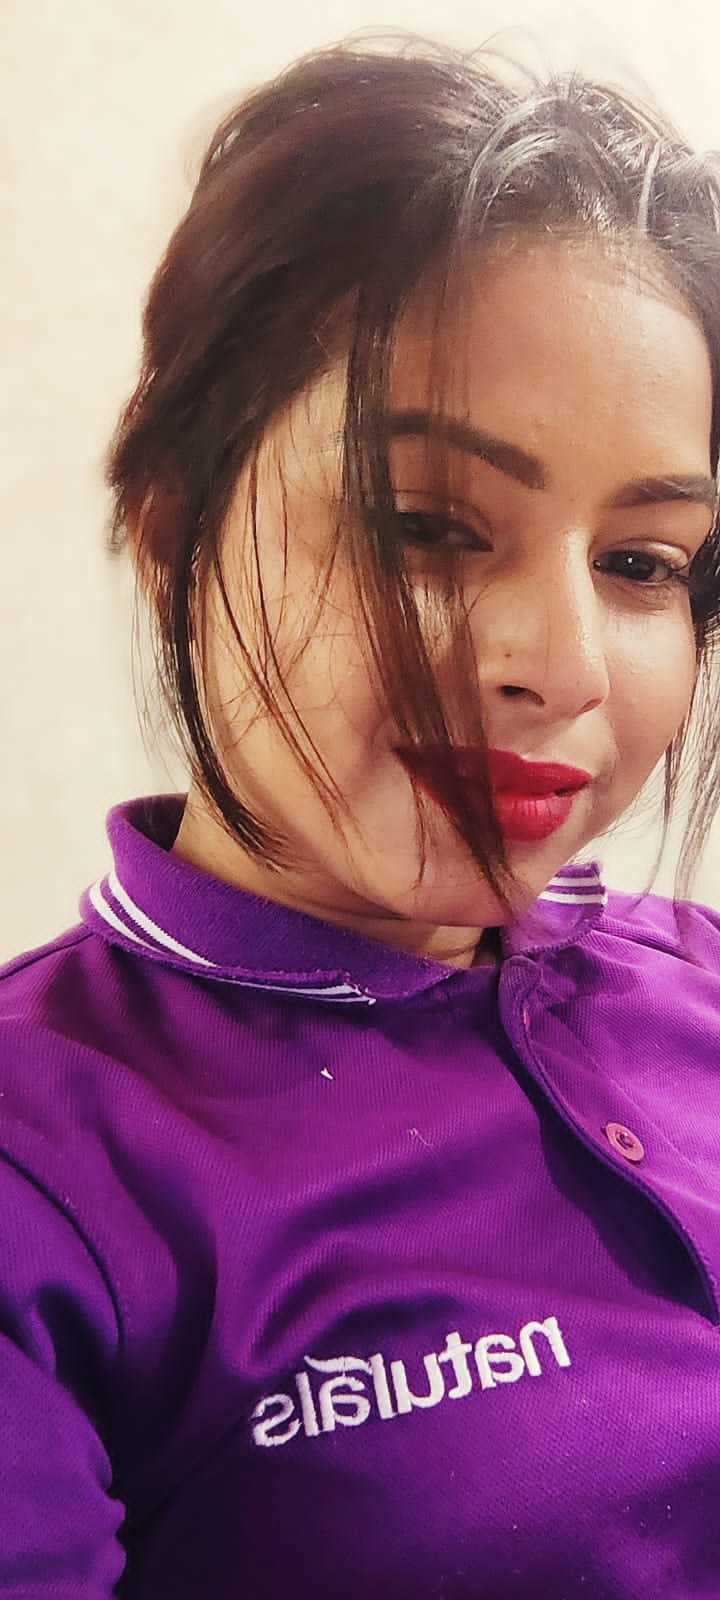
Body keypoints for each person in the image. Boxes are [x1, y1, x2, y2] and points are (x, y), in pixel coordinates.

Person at [2, 33, 720, 1599]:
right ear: (172, 530)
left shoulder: (699, 973)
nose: (564, 667)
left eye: (643, 562)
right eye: (428, 526)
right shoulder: (43, 1166)